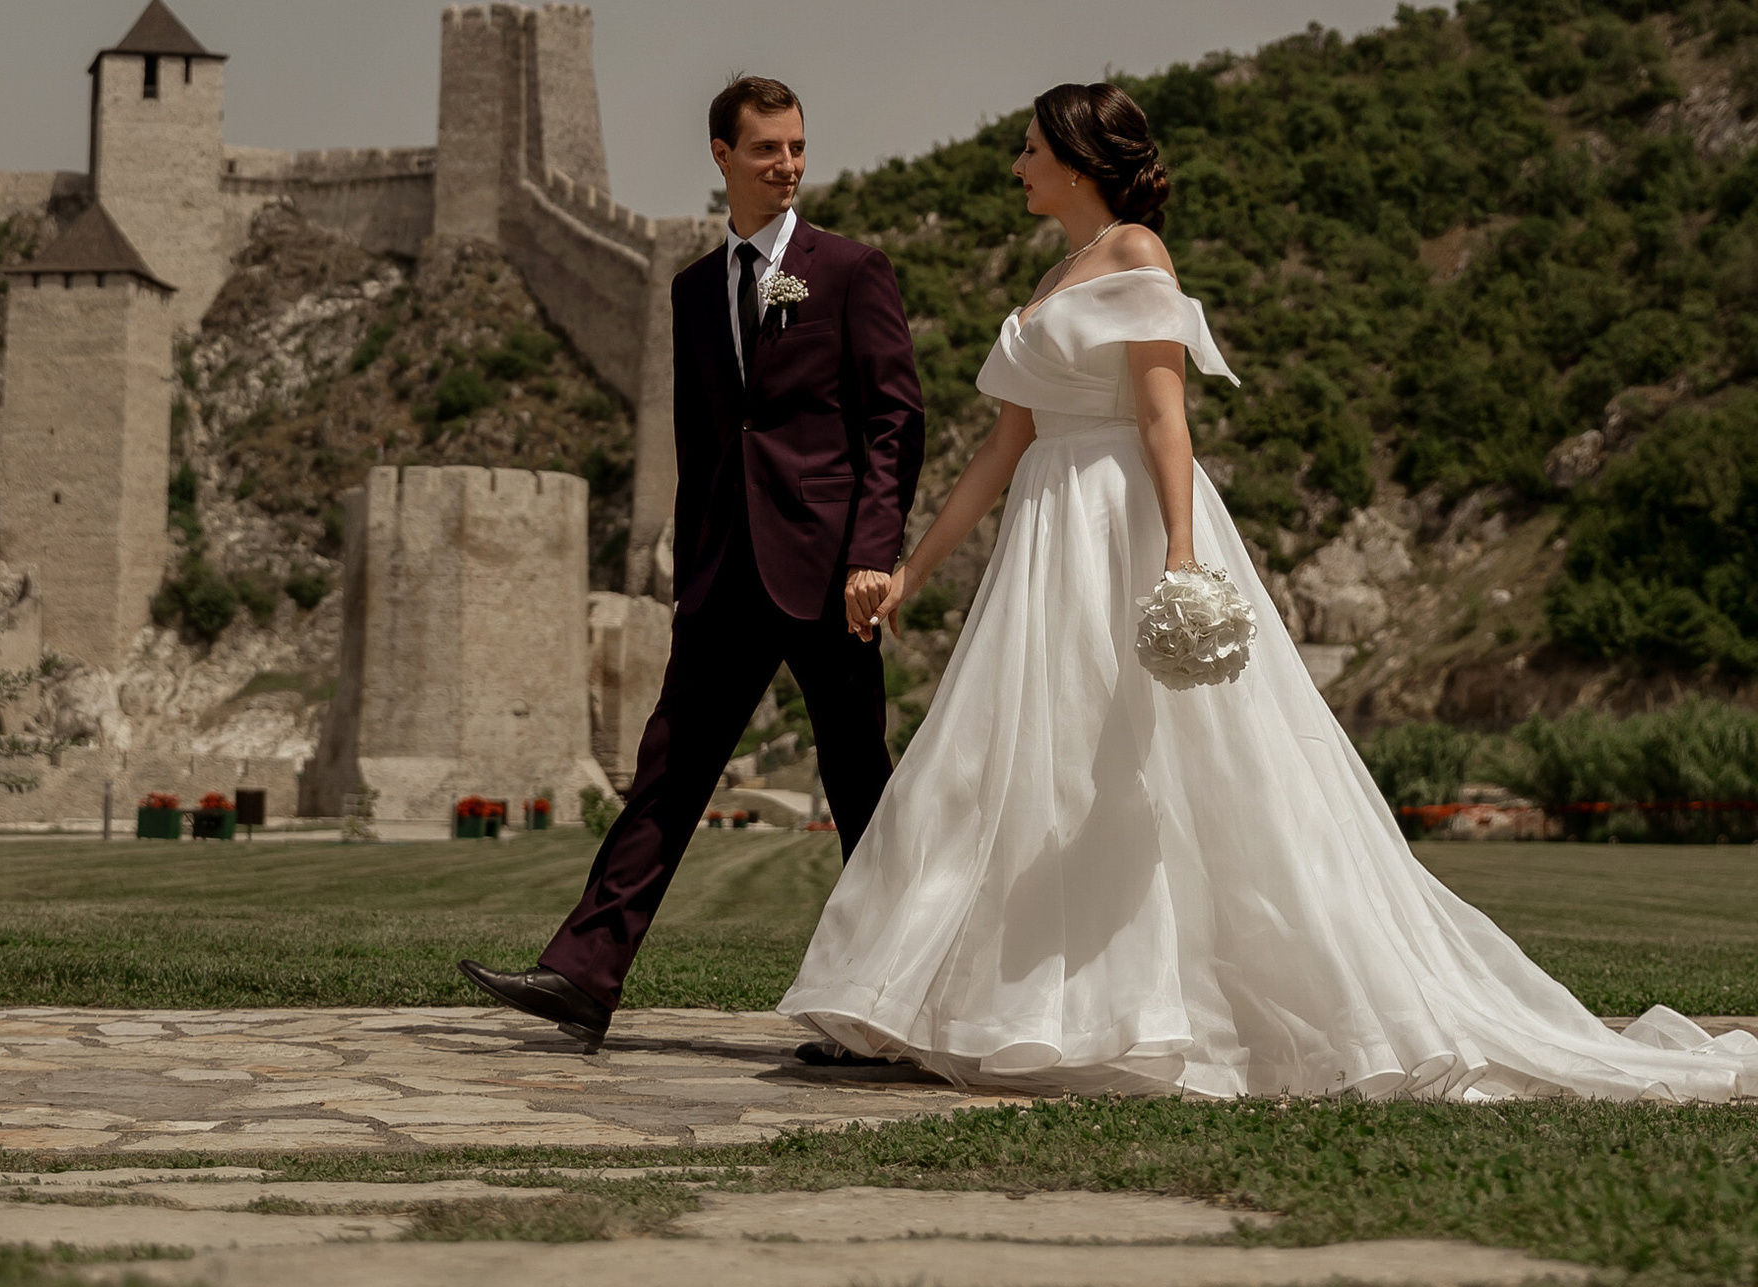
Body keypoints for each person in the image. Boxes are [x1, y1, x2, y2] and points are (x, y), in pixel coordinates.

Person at [781, 80, 1756, 1101]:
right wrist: (911, 569)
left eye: (1027, 149)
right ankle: (966, 1002)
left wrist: (1179, 555)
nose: (1015, 166)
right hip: (1043, 531)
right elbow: (1001, 448)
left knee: (1152, 764)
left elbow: (1164, 420)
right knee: (1009, 759)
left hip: (1123, 521)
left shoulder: (1134, 257)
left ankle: (1152, 1008)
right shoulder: (1056, 270)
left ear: (1074, 160)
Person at [460, 73, 922, 1049]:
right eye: (767, 149)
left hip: (829, 571)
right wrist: (686, 577)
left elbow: (893, 423)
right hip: (722, 578)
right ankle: (583, 977)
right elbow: (703, 444)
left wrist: (873, 554)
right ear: (722, 156)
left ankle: (900, 998)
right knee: (666, 774)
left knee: (857, 784)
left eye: (797, 147)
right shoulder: (685, 291)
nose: (788, 165)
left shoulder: (848, 271)